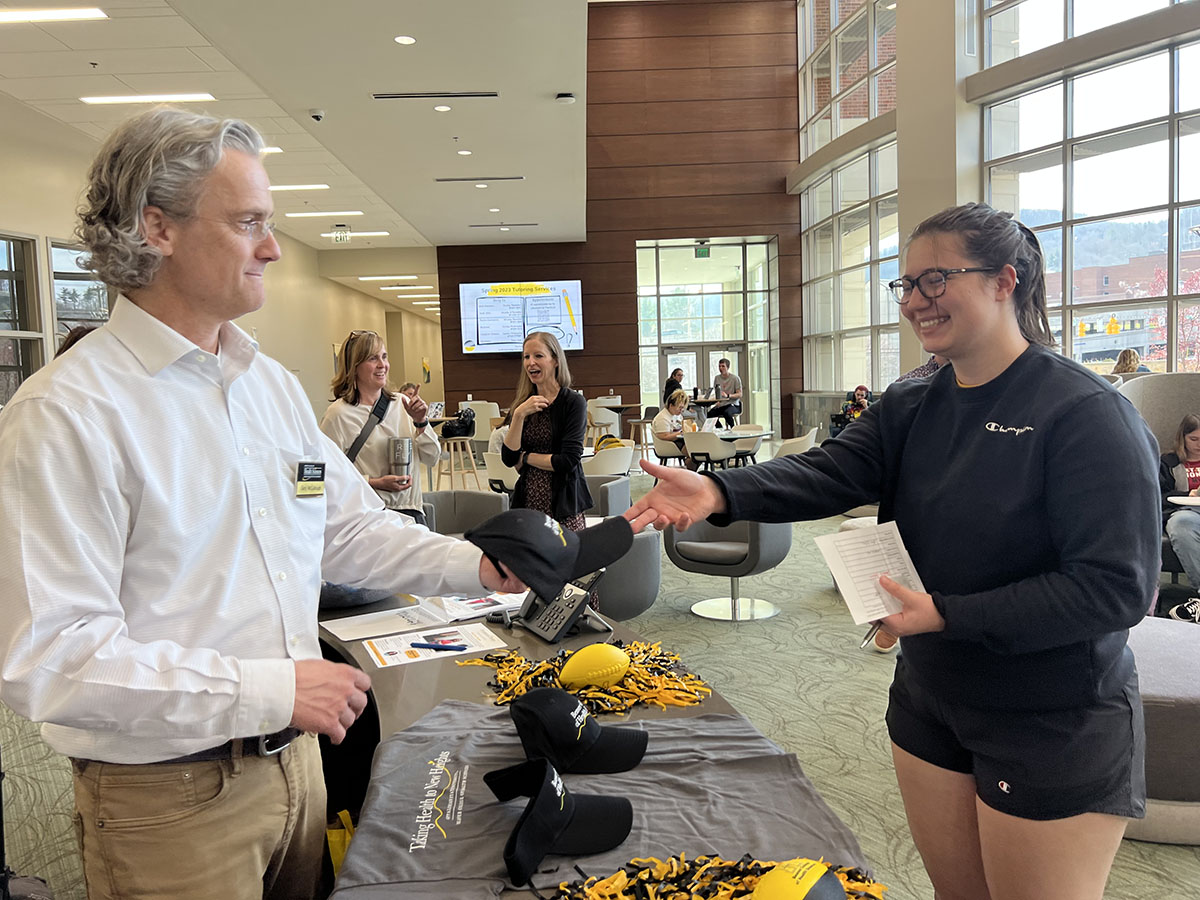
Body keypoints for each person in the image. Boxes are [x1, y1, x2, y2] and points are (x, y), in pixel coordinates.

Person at [0, 107, 523, 900]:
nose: (273, 247)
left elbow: (344, 530)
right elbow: (52, 658)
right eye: (250, 223)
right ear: (158, 228)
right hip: (170, 804)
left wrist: (478, 564)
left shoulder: (269, 388)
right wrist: (275, 689)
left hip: (297, 766)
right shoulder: (66, 414)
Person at [625, 202, 1159, 900]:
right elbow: (827, 471)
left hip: (1049, 716)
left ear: (1004, 281)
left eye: (934, 280)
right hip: (930, 697)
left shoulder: (1085, 413)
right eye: (904, 284)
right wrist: (718, 493)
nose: (913, 301)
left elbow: (1115, 588)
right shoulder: (913, 401)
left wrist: (945, 613)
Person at [319, 331, 439, 524]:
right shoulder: (338, 414)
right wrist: (375, 483)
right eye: (373, 358)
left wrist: (421, 422)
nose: (382, 365)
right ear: (354, 366)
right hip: (368, 517)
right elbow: (326, 475)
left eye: (384, 357)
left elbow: (432, 458)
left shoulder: (403, 404)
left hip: (411, 513)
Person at [502, 331, 591, 533]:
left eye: (538, 356)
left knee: (567, 560)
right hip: (528, 503)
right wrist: (518, 415)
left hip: (564, 506)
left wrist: (525, 458)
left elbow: (567, 461)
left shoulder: (573, 403)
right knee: (529, 563)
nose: (530, 363)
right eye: (526, 357)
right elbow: (508, 457)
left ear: (555, 361)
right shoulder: (522, 405)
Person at [1159, 413, 1200, 622]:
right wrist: (1188, 495)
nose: (1199, 445)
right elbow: (1158, 496)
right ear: (1183, 438)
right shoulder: (1169, 462)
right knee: (1180, 524)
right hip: (1183, 512)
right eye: (1194, 439)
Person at [652, 388, 698, 470]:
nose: (681, 410)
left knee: (698, 452)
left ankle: (691, 467)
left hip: (678, 441)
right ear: (671, 405)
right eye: (680, 408)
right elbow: (664, 436)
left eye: (683, 408)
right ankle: (691, 468)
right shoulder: (662, 418)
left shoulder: (676, 415)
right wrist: (680, 433)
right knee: (696, 453)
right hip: (669, 444)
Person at [709, 358, 742, 426]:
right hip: (722, 404)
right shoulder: (717, 378)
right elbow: (717, 393)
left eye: (723, 366)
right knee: (709, 415)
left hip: (733, 404)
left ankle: (733, 429)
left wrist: (728, 395)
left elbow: (740, 394)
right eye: (719, 366)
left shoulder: (735, 378)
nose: (721, 368)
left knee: (726, 413)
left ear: (728, 367)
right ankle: (720, 429)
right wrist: (717, 401)